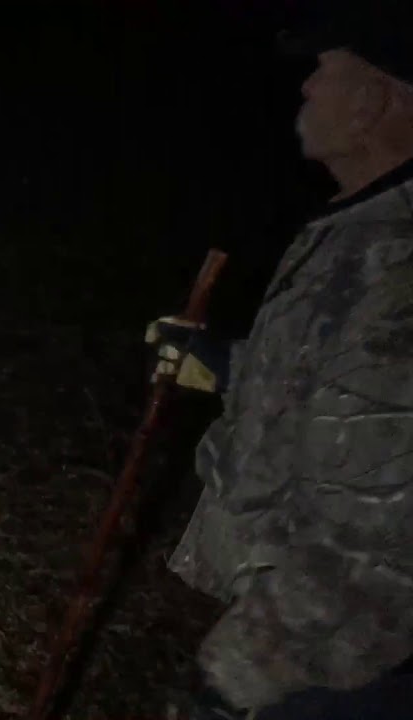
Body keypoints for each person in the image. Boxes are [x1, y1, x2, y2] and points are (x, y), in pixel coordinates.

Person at [145, 2, 413, 717]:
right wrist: (228, 365)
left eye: (324, 71)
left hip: (340, 676)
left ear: (374, 102)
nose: (305, 88)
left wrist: (240, 677)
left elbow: (374, 547)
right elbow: (346, 404)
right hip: (315, 646)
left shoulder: (398, 265)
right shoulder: (363, 227)